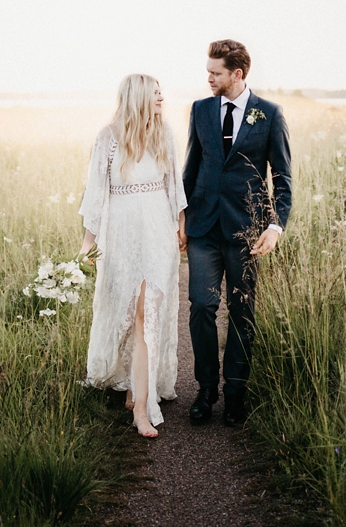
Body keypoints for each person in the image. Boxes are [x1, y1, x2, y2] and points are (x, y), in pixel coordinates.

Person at [183, 40, 292, 426]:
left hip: (247, 231)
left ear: (237, 74)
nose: (208, 77)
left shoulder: (270, 114)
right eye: (208, 71)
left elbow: (282, 178)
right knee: (201, 306)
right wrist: (181, 217)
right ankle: (206, 389)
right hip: (203, 226)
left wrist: (275, 226)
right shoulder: (200, 110)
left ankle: (235, 394)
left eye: (215, 72)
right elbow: (191, 167)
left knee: (242, 311)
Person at [79, 74, 187, 438]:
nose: (162, 98)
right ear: (138, 97)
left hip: (158, 234)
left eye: (161, 92)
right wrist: (87, 242)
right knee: (125, 311)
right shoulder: (108, 138)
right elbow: (95, 194)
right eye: (156, 94)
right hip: (122, 237)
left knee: (147, 315)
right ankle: (130, 384)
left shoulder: (164, 133)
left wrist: (180, 227)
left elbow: (176, 185)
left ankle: (141, 407)